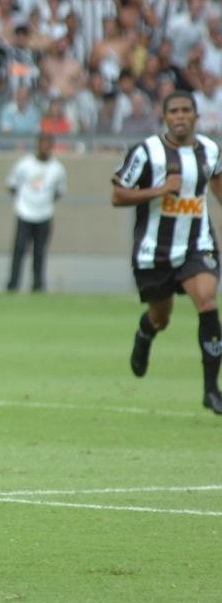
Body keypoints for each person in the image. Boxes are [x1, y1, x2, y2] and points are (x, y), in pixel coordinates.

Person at [111, 91, 222, 414]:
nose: (180, 116)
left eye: (186, 110)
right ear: (164, 117)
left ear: (196, 116)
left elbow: (217, 186)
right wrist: (160, 190)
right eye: (173, 110)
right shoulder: (147, 152)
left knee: (207, 301)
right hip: (154, 251)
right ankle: (146, 332)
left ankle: (211, 390)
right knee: (162, 318)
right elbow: (118, 194)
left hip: (196, 244)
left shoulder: (211, 150)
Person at [5, 133, 67, 293]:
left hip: (44, 215)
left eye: (48, 144)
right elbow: (12, 185)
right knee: (19, 250)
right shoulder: (24, 165)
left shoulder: (58, 169)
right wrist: (25, 200)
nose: (45, 147)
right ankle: (13, 285)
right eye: (42, 144)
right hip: (25, 213)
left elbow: (59, 192)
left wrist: (43, 202)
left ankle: (38, 285)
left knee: (40, 252)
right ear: (37, 145)